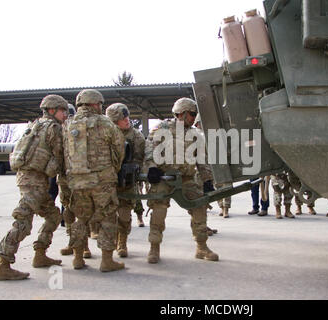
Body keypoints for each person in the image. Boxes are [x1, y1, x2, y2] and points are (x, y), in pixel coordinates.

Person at [0, 95, 68, 281]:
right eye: (62, 110)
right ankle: (3, 264)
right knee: (23, 222)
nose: (65, 114)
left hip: (30, 179)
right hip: (34, 180)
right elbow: (60, 158)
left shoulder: (34, 125)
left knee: (53, 215)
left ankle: (40, 254)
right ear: (52, 110)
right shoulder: (54, 128)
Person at [144, 97, 218, 264]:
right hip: (164, 177)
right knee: (158, 209)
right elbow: (150, 148)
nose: (193, 118)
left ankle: (201, 247)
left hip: (186, 179)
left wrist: (207, 180)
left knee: (200, 205)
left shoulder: (195, 134)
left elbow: (202, 159)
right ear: (182, 113)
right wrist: (151, 168)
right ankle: (154, 248)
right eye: (192, 114)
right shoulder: (162, 128)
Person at [63, 89, 125, 272]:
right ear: (96, 104)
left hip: (77, 181)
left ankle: (77, 258)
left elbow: (63, 153)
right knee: (107, 217)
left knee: (81, 218)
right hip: (102, 181)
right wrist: (113, 168)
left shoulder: (68, 124)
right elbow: (119, 148)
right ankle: (107, 261)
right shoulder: (105, 123)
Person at [106, 103, 145, 258]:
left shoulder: (136, 136)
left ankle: (122, 241)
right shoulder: (106, 134)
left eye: (127, 116)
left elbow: (140, 159)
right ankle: (111, 242)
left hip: (127, 182)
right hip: (108, 182)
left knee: (124, 215)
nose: (127, 120)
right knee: (108, 216)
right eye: (122, 118)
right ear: (114, 121)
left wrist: (133, 171)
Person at [59, 104, 91, 259]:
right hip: (65, 179)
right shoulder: (59, 131)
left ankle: (83, 246)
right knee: (68, 212)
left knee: (81, 213)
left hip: (79, 178)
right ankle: (72, 243)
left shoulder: (81, 129)